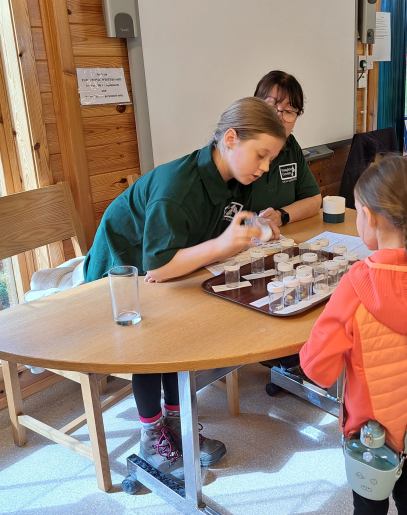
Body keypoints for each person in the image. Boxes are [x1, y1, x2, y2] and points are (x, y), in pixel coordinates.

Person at [83, 97, 287, 482]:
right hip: (120, 274)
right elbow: (156, 267)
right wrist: (225, 245)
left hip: (168, 271)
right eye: (261, 155)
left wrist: (257, 226)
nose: (265, 168)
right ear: (230, 139)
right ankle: (151, 433)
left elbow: (215, 234)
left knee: (182, 337)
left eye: (271, 159)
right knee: (151, 346)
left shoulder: (233, 179)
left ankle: (176, 424)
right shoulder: (176, 185)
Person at [299, 156, 407, 515]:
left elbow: (317, 367)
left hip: (372, 432)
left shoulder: (357, 284)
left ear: (371, 217)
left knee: (369, 503)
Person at [252, 71, 322, 234]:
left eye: (289, 111)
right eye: (271, 108)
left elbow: (314, 200)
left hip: (280, 240)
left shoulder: (291, 145)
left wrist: (281, 216)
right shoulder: (241, 149)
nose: (279, 117)